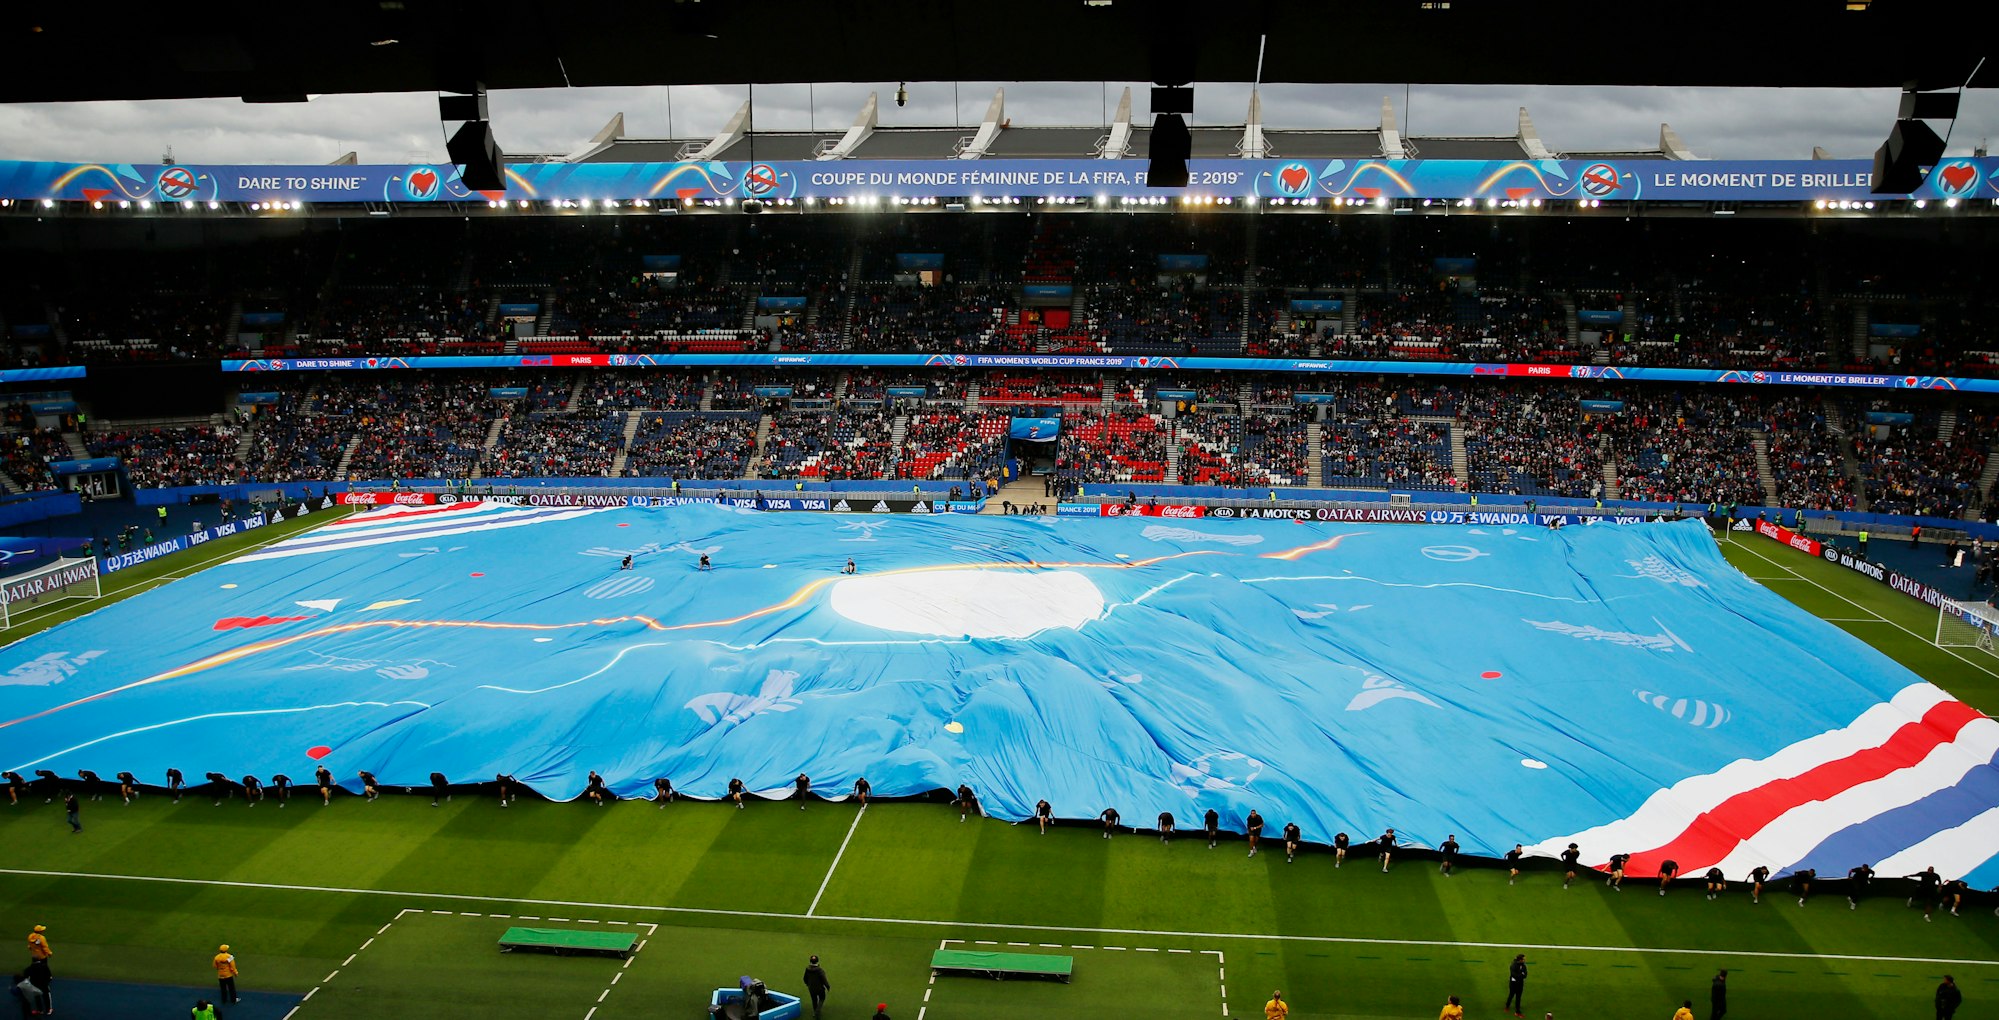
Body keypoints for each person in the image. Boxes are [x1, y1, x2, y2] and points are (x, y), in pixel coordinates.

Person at [802, 955, 831, 1019]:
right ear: (817, 961)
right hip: (820, 988)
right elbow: (824, 979)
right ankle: (817, 1011)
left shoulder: (807, 969)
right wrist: (828, 986)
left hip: (811, 988)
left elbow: (805, 978)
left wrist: (808, 984)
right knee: (822, 998)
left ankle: (815, 1011)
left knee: (814, 1000)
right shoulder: (819, 970)